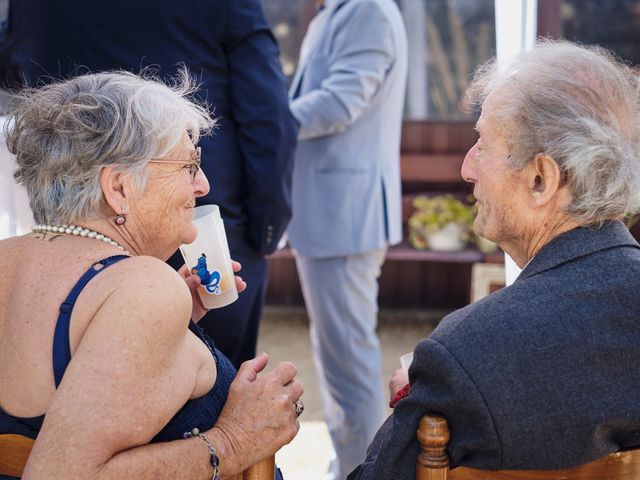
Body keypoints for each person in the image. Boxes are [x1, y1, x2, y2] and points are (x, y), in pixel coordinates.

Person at [347, 40, 640, 479]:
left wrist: (410, 394)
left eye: (482, 143)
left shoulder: (466, 352)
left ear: (541, 179)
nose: (467, 168)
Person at [0, 71, 303, 479]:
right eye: (189, 165)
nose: (203, 184)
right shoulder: (143, 287)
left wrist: (162, 326)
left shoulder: (10, 260)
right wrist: (235, 442)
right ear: (119, 187)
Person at [3, 0, 297, 368]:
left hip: (69, 225)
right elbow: (269, 118)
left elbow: (17, 69)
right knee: (221, 384)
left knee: (80, 364)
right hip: (205, 229)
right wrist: (265, 227)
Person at [287, 0, 407, 477]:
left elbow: (340, 103)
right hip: (335, 213)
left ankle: (362, 471)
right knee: (340, 362)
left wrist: (262, 121)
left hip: (344, 215)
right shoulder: (336, 13)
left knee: (348, 370)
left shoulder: (368, 11)